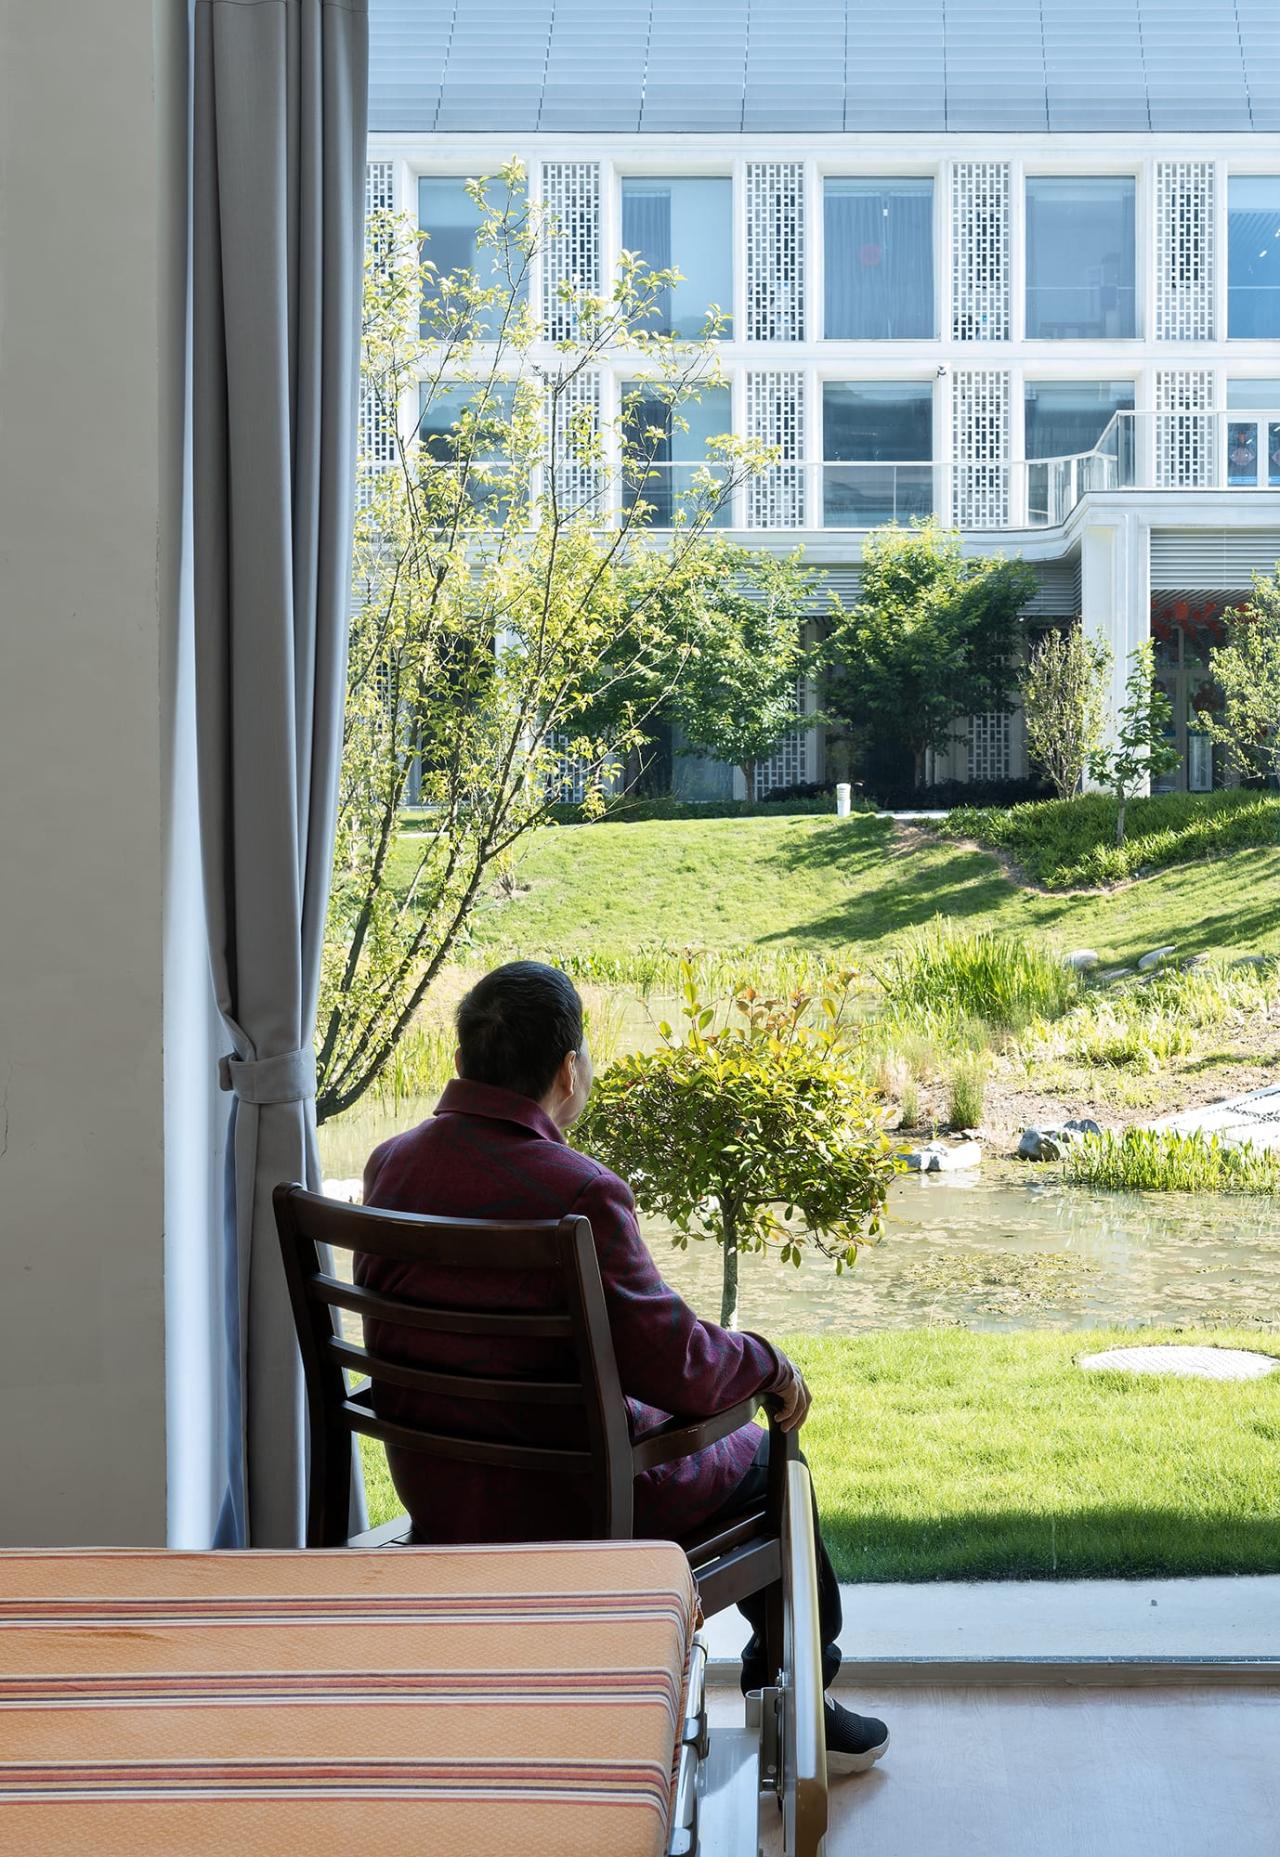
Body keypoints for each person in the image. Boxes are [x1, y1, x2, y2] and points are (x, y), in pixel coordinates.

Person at [359, 959, 889, 1774]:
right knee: (770, 1462)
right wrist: (769, 1363)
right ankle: (793, 1700)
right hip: (569, 1502)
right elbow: (679, 1367)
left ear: (461, 1059)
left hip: (441, 1489)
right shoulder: (581, 1191)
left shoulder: (390, 1165)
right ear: (569, 1071)